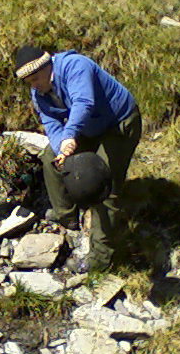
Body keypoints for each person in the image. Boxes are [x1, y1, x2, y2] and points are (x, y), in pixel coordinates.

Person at [14, 45, 142, 271]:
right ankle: (67, 216)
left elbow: (84, 103)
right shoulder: (39, 94)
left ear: (47, 66)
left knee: (105, 186)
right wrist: (62, 149)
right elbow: (51, 124)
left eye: (35, 78)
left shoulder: (76, 66)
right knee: (50, 158)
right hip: (88, 127)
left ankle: (100, 260)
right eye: (29, 82)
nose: (33, 85)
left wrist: (70, 135)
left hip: (118, 125)